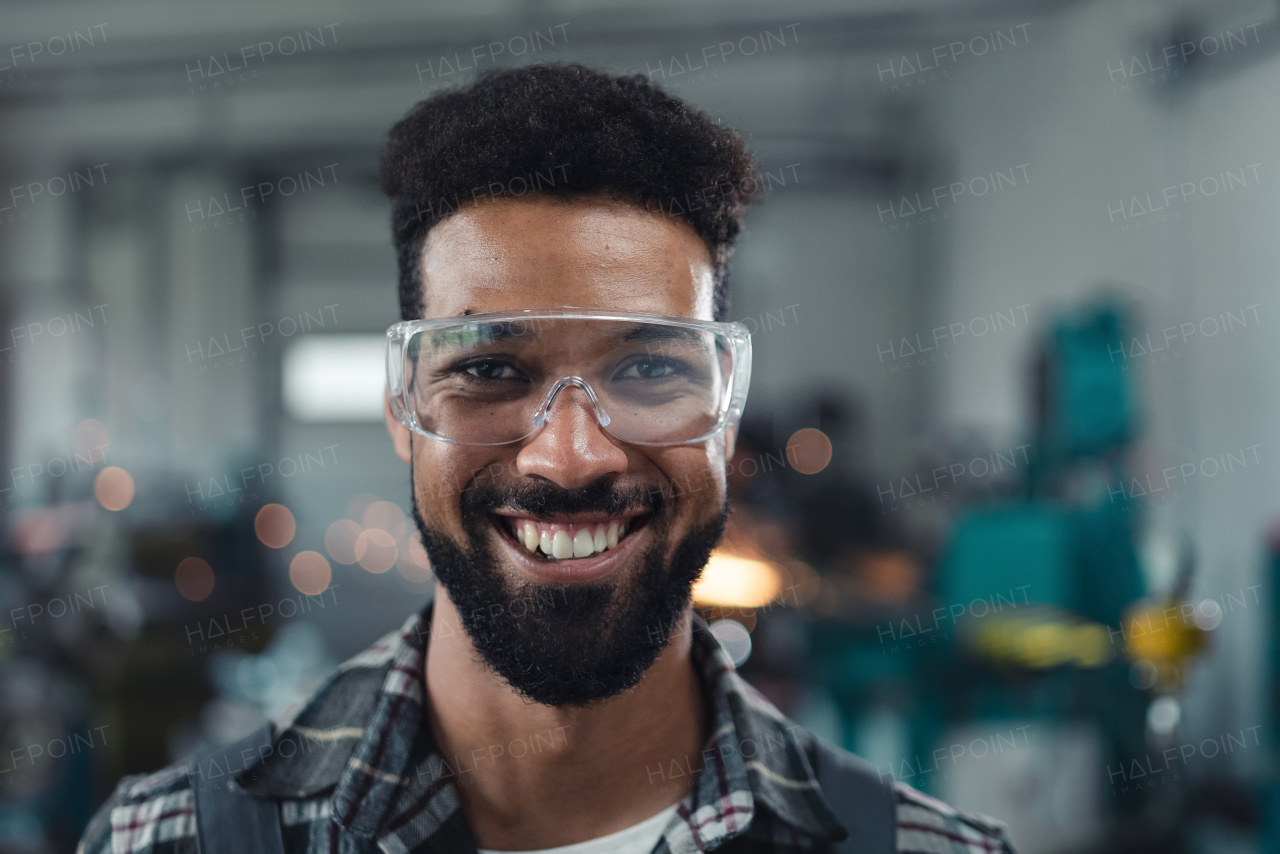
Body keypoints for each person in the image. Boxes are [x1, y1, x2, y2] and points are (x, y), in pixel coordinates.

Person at [79, 63, 1014, 854]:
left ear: (725, 413)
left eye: (648, 367)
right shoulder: (169, 841)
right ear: (402, 409)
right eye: (488, 368)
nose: (569, 457)